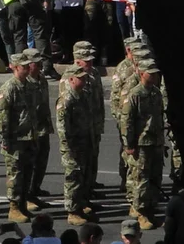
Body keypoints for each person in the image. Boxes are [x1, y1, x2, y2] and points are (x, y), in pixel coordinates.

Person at [121, 59, 164, 230]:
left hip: (156, 142)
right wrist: (129, 143)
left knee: (155, 177)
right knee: (141, 179)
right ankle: (140, 213)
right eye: (150, 72)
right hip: (142, 143)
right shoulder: (135, 94)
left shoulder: (155, 93)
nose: (153, 76)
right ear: (141, 73)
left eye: (155, 73)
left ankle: (151, 209)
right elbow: (127, 121)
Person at [0, 53, 38, 223]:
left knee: (27, 173)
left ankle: (22, 205)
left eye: (29, 66)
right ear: (14, 67)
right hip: (15, 139)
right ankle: (13, 208)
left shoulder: (29, 85)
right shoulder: (9, 88)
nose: (28, 69)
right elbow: (2, 116)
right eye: (24, 67)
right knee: (15, 174)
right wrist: (5, 139)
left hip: (28, 136)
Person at [57, 65, 96, 225]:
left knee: (83, 177)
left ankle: (80, 206)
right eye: (81, 78)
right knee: (73, 178)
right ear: (71, 79)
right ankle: (72, 212)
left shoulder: (83, 96)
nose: (84, 81)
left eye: (85, 78)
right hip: (72, 147)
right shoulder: (67, 99)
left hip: (84, 144)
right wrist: (69, 149)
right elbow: (63, 128)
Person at [72, 42, 105, 194]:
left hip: (93, 124)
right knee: (80, 164)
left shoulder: (94, 74)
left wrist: (100, 122)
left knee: (92, 158)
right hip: (80, 128)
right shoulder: (72, 78)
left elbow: (99, 100)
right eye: (87, 61)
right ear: (78, 61)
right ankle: (81, 196)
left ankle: (89, 187)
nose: (91, 63)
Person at [22, 49, 54, 204]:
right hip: (30, 129)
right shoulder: (24, 82)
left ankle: (35, 189)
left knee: (42, 160)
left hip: (43, 126)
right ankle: (26, 195)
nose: (39, 65)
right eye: (36, 62)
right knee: (29, 163)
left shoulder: (41, 79)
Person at [110, 37, 141, 191]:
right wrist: (119, 117)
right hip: (125, 116)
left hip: (138, 116)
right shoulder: (123, 68)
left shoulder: (139, 65)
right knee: (127, 150)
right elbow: (116, 95)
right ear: (128, 50)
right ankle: (126, 180)